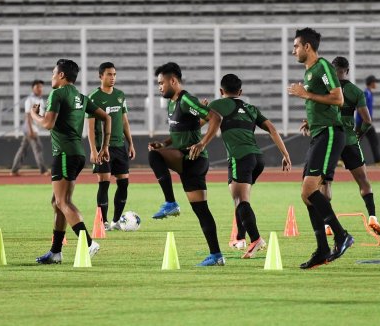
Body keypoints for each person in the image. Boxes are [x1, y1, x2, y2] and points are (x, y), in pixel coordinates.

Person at [33, 59, 111, 264]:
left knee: (62, 202)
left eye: (53, 73)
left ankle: (88, 243)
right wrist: (104, 147)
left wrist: (34, 116)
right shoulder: (81, 97)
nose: (51, 77)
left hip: (65, 153)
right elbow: (107, 118)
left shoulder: (57, 94)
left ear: (61, 75)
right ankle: (55, 252)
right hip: (77, 153)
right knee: (57, 202)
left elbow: (48, 124)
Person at [288, 27, 354, 269]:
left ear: (307, 47)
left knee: (309, 190)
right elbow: (325, 102)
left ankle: (341, 235)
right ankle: (323, 249)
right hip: (318, 133)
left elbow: (338, 98)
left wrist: (306, 95)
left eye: (295, 46)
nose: (292, 50)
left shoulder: (323, 67)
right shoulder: (309, 72)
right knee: (307, 196)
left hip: (329, 134)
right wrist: (311, 120)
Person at [147, 62, 225, 266]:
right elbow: (182, 131)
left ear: (173, 80)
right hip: (189, 159)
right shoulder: (173, 103)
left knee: (155, 156)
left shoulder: (185, 99)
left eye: (162, 83)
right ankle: (217, 256)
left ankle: (171, 203)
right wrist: (163, 143)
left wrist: (201, 143)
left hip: (193, 158)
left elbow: (216, 117)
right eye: (158, 84)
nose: (159, 87)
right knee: (202, 210)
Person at [207, 73, 292, 259]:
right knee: (240, 199)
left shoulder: (218, 104)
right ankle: (240, 238)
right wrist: (285, 154)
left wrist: (202, 108)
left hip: (240, 157)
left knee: (240, 201)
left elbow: (201, 121)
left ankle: (256, 240)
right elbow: (272, 129)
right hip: (256, 158)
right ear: (241, 91)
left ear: (221, 91)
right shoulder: (251, 108)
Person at [326, 56, 380, 235]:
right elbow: (367, 120)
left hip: (329, 141)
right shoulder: (356, 92)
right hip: (350, 141)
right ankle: (373, 217)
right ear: (347, 71)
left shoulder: (325, 90)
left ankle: (327, 224)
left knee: (325, 182)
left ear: (332, 70)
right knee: (363, 181)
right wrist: (358, 134)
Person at [87, 62, 135, 231]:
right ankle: (103, 222)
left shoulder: (120, 95)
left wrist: (131, 144)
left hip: (120, 146)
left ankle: (115, 221)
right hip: (102, 148)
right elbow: (91, 127)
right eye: (109, 74)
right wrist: (94, 150)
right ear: (101, 76)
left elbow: (124, 121)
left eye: (114, 74)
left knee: (124, 183)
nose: (112, 77)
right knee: (104, 183)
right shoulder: (93, 98)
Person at [10, 79, 48, 176]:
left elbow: (41, 114)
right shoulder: (30, 100)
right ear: (33, 88)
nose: (40, 89)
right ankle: (43, 170)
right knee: (38, 148)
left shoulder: (40, 100)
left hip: (34, 128)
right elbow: (28, 116)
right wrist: (31, 130)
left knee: (23, 149)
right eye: (37, 87)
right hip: (30, 128)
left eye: (41, 87)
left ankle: (14, 170)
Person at [356, 75, 380, 165]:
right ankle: (342, 159)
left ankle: (378, 160)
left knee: (373, 140)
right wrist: (365, 120)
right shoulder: (366, 93)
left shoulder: (369, 93)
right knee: (354, 142)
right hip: (363, 122)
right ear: (372, 83)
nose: (376, 84)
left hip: (366, 122)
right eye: (375, 82)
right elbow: (360, 108)